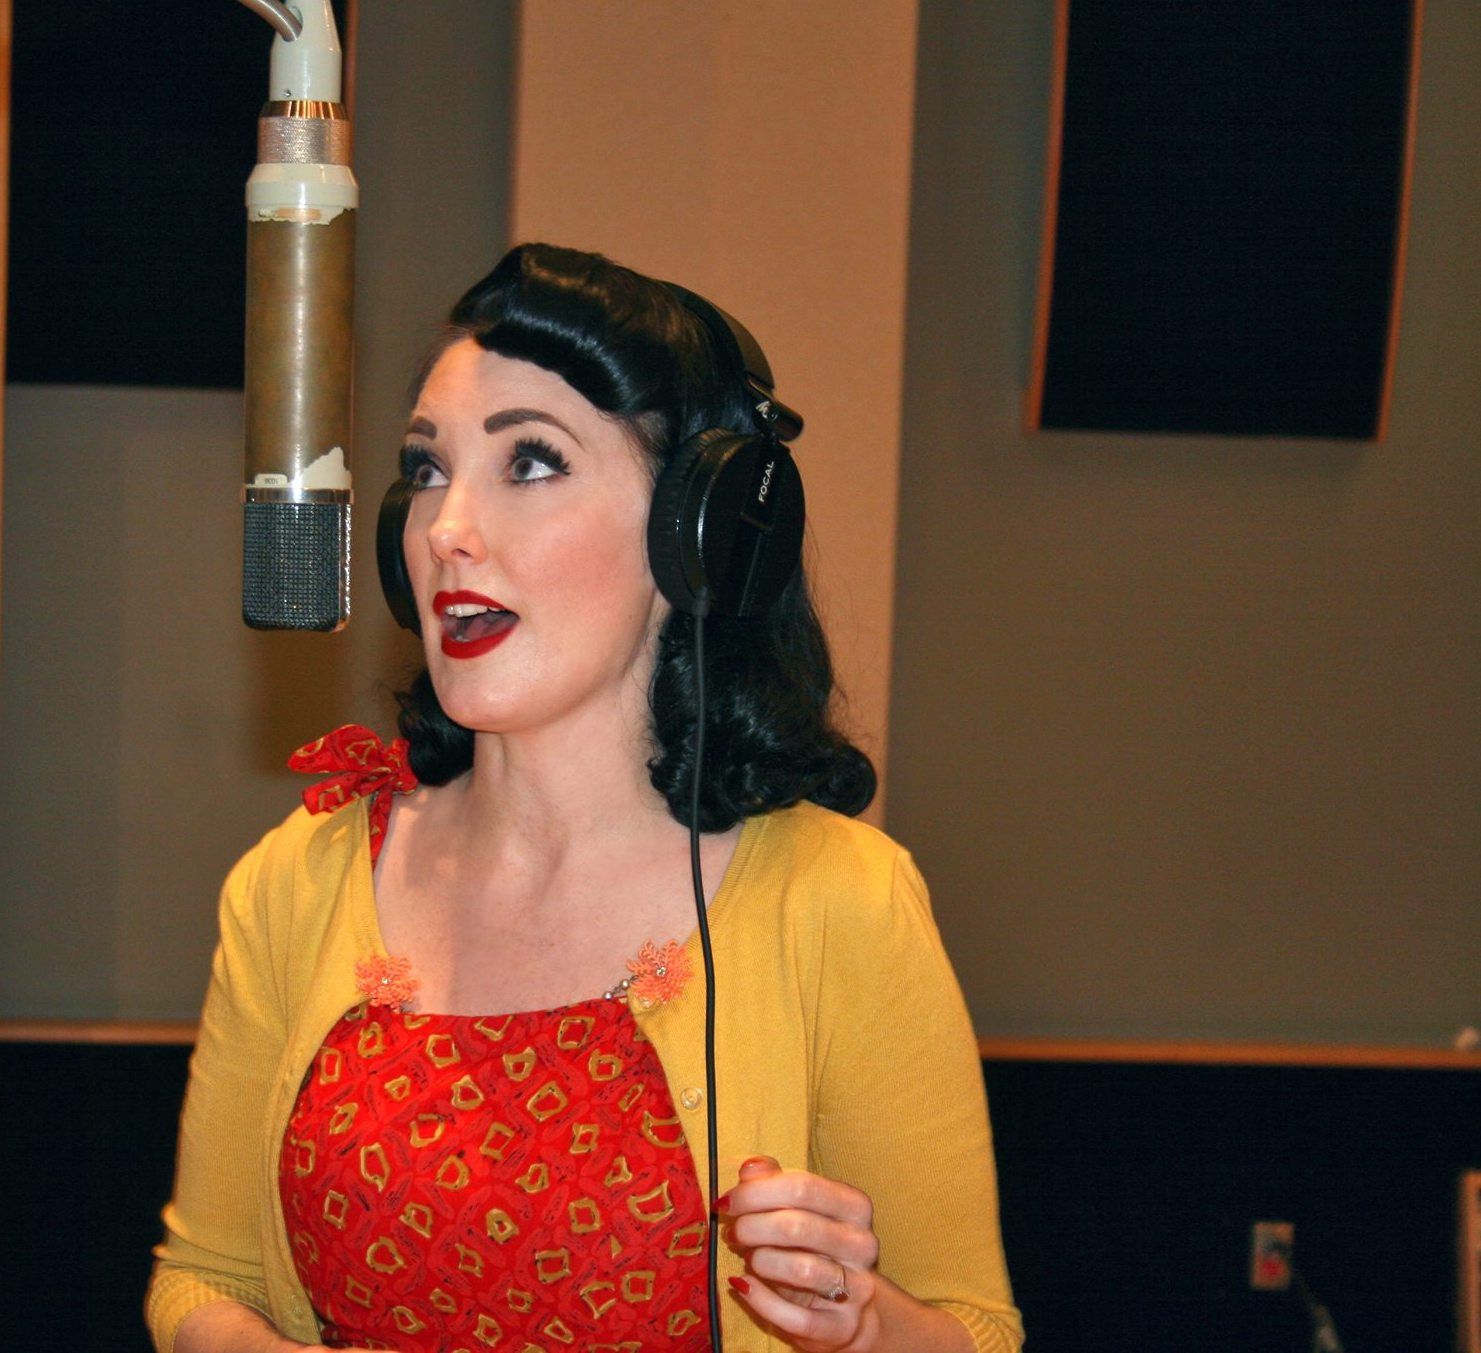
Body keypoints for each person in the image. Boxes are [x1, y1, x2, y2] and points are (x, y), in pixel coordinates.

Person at [147, 243, 1023, 1353]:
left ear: (696, 533)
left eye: (530, 462)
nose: (446, 529)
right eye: (427, 469)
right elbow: (203, 1277)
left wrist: (864, 1326)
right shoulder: (301, 877)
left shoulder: (839, 899)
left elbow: (974, 1331)